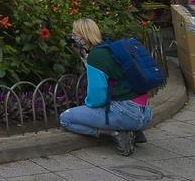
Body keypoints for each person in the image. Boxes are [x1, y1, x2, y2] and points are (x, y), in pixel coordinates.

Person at [59, 18, 153, 156]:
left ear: (83, 36)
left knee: (66, 118)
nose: (72, 38)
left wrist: (86, 107)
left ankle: (115, 133)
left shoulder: (95, 57)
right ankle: (133, 130)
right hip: (146, 113)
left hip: (127, 113)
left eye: (74, 35)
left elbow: (97, 99)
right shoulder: (108, 48)